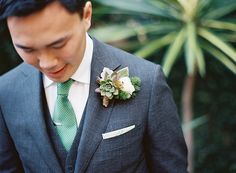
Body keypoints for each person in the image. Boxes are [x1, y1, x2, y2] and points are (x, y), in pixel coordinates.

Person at [0, 0, 188, 172]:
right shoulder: (5, 92)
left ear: (86, 15)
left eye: (58, 44)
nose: (47, 63)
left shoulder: (148, 80)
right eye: (27, 49)